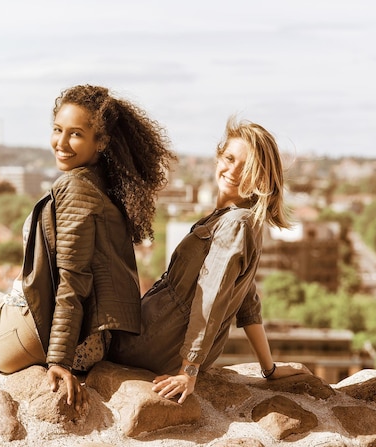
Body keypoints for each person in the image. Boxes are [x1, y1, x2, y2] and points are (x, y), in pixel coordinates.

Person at [0, 84, 177, 412]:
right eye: (57, 130)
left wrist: (59, 361)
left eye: (75, 134)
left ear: (101, 141)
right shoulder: (105, 188)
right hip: (92, 345)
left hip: (40, 335)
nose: (61, 143)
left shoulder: (75, 190)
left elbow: (72, 280)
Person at [108, 116, 311, 404]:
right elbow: (246, 298)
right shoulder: (238, 220)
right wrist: (269, 368)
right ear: (218, 157)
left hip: (151, 342)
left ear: (261, 179)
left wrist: (188, 370)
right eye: (229, 158)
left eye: (247, 168)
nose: (233, 171)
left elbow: (212, 295)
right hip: (160, 337)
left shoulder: (236, 224)